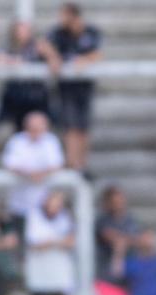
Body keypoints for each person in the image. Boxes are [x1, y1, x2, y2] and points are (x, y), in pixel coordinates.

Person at [48, 2, 102, 172]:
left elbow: (97, 53)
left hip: (84, 86)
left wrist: (83, 60)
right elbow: (44, 45)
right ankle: (72, 162)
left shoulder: (91, 32)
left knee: (83, 126)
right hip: (67, 87)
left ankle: (81, 163)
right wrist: (53, 57)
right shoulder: (58, 33)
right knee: (71, 125)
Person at [2, 111, 64, 237]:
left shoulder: (50, 141)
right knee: (18, 240)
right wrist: (31, 174)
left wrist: (38, 173)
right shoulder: (17, 141)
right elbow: (10, 164)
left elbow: (57, 163)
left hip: (44, 205)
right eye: (33, 128)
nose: (36, 131)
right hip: (19, 203)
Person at [0, 20, 60, 130]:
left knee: (38, 125)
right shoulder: (10, 46)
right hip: (18, 95)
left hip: (36, 94)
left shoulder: (39, 45)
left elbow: (55, 61)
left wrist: (49, 56)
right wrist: (15, 61)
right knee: (19, 127)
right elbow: (0, 60)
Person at [25, 188, 75, 295]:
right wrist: (58, 241)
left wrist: (50, 242)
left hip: (58, 272)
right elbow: (35, 243)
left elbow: (70, 242)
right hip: (40, 271)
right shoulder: (35, 217)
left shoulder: (65, 217)